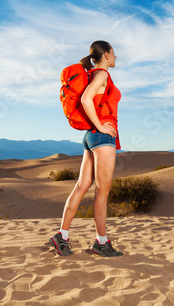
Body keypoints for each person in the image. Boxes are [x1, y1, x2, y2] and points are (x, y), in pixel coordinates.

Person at [49, 40, 123, 257]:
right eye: (114, 53)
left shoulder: (91, 75)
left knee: (82, 186)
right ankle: (101, 243)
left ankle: (62, 237)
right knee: (102, 192)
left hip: (91, 137)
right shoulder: (101, 75)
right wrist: (101, 125)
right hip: (101, 137)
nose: (116, 57)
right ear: (107, 55)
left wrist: (96, 127)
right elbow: (86, 98)